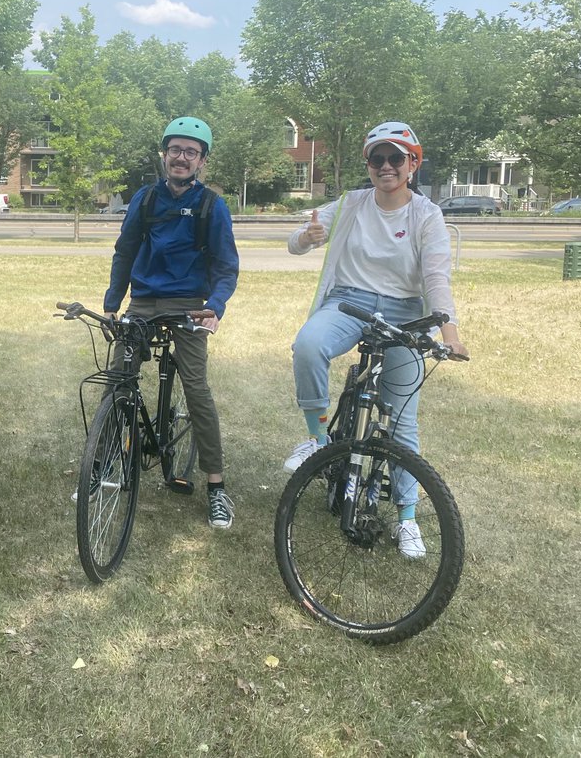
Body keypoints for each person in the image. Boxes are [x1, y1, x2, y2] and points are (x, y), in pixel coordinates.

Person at [284, 120, 470, 557]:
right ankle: (319, 440)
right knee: (309, 345)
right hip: (350, 301)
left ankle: (407, 518)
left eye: (395, 158)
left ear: (413, 164)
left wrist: (451, 333)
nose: (385, 166)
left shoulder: (426, 214)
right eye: (376, 158)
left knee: (402, 419)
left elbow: (436, 276)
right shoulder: (350, 203)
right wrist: (306, 237)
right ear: (368, 164)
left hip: (405, 310)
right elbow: (296, 243)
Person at [103, 117, 240, 529]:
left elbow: (226, 265)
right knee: (117, 376)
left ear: (202, 161)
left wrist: (214, 306)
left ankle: (216, 486)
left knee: (196, 387)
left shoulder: (211, 206)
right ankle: (104, 462)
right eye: (175, 150)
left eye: (190, 152)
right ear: (164, 154)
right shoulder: (145, 199)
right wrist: (113, 303)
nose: (181, 158)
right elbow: (124, 253)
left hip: (188, 303)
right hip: (144, 300)